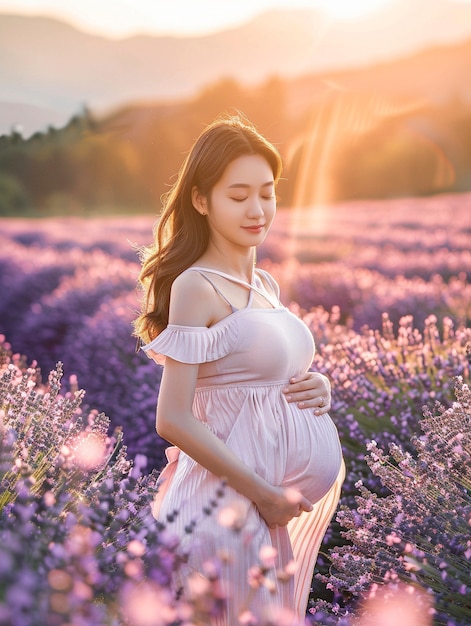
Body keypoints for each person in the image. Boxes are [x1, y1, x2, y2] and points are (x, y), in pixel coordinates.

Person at [134, 114, 344, 625]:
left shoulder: (265, 284)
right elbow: (173, 418)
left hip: (264, 516)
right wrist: (266, 495)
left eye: (267, 193)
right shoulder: (196, 286)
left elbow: (263, 375)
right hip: (226, 512)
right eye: (238, 195)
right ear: (201, 200)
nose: (257, 210)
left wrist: (320, 385)